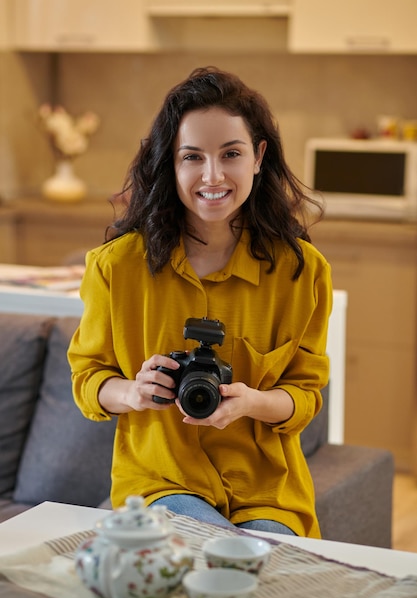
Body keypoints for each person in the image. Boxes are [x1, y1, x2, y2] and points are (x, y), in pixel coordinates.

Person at [68, 67, 332, 538]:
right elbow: (88, 378)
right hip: (160, 482)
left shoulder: (302, 272)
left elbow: (305, 397)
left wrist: (250, 403)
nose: (213, 176)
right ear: (170, 162)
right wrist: (133, 392)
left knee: (263, 576)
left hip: (267, 492)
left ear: (258, 157)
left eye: (231, 153)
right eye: (193, 157)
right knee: (222, 557)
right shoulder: (117, 267)